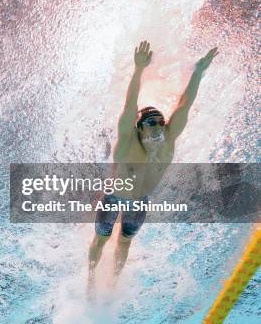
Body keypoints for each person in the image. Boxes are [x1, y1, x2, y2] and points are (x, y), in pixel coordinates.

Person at [87, 41, 217, 296]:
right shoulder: (127, 142)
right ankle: (90, 281)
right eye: (150, 121)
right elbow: (129, 107)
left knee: (124, 243)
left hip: (139, 202)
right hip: (113, 198)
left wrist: (198, 72)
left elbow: (184, 105)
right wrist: (138, 70)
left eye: (160, 120)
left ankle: (112, 284)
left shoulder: (168, 140)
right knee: (101, 240)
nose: (158, 125)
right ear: (139, 127)